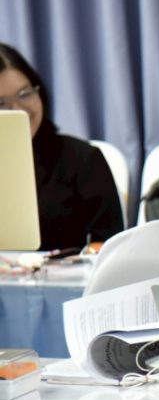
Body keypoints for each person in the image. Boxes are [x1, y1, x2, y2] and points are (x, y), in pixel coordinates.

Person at [0, 43, 123, 250]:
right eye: (1, 103)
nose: (18, 110)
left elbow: (111, 243)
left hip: (63, 270)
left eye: (24, 93)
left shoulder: (83, 159)